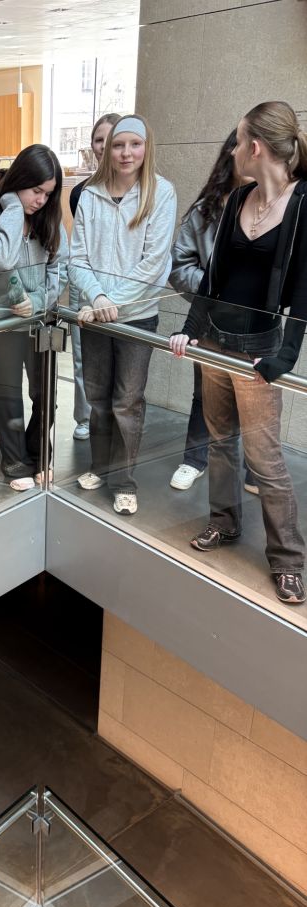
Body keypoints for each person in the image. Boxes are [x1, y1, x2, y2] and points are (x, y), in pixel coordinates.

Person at [170, 101, 307, 604]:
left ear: (255, 147)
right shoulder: (238, 200)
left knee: (265, 459)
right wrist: (190, 329)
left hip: (258, 351)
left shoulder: (303, 203)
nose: (230, 151)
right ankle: (224, 522)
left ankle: (288, 558)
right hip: (214, 342)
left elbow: (305, 290)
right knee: (219, 442)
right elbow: (213, 277)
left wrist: (284, 358)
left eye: (237, 141)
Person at [70, 113, 177, 516]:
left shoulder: (161, 193)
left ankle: (124, 481)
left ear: (147, 147)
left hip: (136, 317)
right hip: (97, 315)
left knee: (127, 403)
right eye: (118, 145)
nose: (126, 153)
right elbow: (77, 258)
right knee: (98, 399)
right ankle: (100, 467)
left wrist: (108, 301)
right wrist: (98, 297)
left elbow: (153, 264)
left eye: (134, 144)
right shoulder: (90, 193)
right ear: (107, 149)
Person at [168, 130, 261, 493]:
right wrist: (215, 290)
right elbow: (179, 267)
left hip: (257, 328)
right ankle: (194, 459)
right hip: (209, 323)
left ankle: (254, 468)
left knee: (255, 400)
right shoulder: (206, 210)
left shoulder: (278, 209)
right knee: (204, 395)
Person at [0, 143, 69, 490]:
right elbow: (1, 258)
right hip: (4, 321)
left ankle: (38, 455)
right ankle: (14, 463)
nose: (40, 200)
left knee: (46, 395)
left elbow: (60, 267)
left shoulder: (49, 217)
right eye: (35, 190)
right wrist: (13, 206)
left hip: (41, 321)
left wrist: (38, 300)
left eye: (48, 193)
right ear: (19, 180)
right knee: (9, 395)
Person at [68, 113, 120, 441]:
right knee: (82, 355)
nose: (105, 146)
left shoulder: (142, 192)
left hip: (122, 289)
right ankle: (85, 416)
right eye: (99, 139)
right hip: (85, 284)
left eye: (111, 138)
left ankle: (113, 416)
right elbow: (81, 249)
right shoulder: (80, 193)